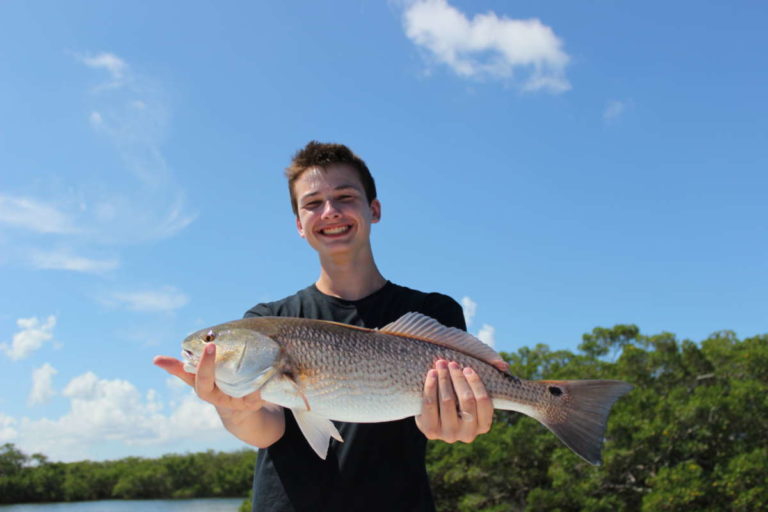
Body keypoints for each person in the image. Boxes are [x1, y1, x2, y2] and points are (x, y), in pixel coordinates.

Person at [154, 141, 505, 511]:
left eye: (344, 196)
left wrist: (461, 420)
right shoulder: (264, 318)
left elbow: (451, 416)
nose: (330, 211)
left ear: (374, 209)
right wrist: (234, 409)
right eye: (312, 203)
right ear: (299, 226)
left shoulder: (433, 311)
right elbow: (269, 427)